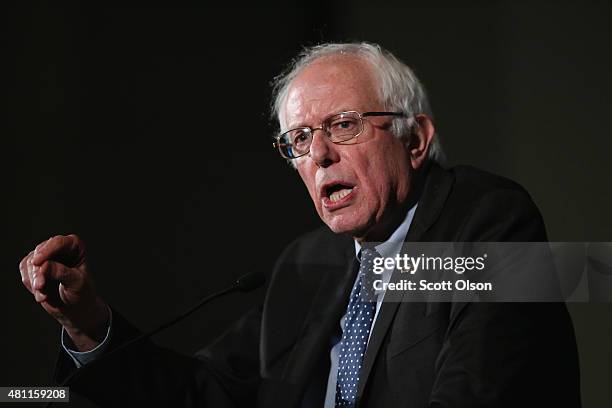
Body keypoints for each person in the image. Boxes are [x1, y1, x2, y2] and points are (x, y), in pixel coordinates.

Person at [19, 42, 581, 407]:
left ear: (415, 141)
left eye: (343, 125)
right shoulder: (311, 263)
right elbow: (201, 395)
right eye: (299, 140)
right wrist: (88, 322)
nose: (319, 156)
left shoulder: (486, 220)